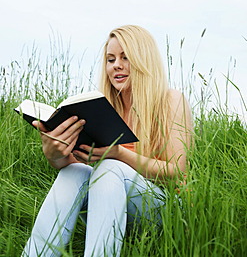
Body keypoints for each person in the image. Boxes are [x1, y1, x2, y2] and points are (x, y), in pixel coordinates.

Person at [22, 25, 193, 257]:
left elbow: (176, 171)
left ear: (144, 60)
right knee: (74, 173)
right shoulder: (103, 107)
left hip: (165, 209)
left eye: (125, 57)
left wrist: (118, 154)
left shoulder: (170, 100)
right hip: (110, 202)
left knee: (110, 166)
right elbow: (78, 161)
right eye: (110, 59)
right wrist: (56, 155)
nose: (116, 65)